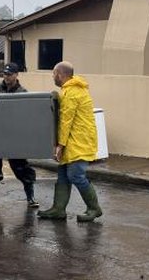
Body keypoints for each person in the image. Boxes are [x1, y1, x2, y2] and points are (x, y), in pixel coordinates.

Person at [38, 61, 103, 222]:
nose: (53, 77)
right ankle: (58, 209)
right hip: (75, 140)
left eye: (54, 74)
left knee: (76, 175)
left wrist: (59, 145)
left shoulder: (71, 92)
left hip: (78, 142)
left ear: (61, 75)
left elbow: (66, 121)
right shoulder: (71, 90)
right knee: (63, 175)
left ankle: (94, 208)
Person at [0, 62, 38, 207]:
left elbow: (28, 115)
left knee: (21, 166)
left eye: (9, 74)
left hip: (14, 135)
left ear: (16, 75)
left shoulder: (23, 92)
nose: (6, 77)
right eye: (5, 74)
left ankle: (30, 195)